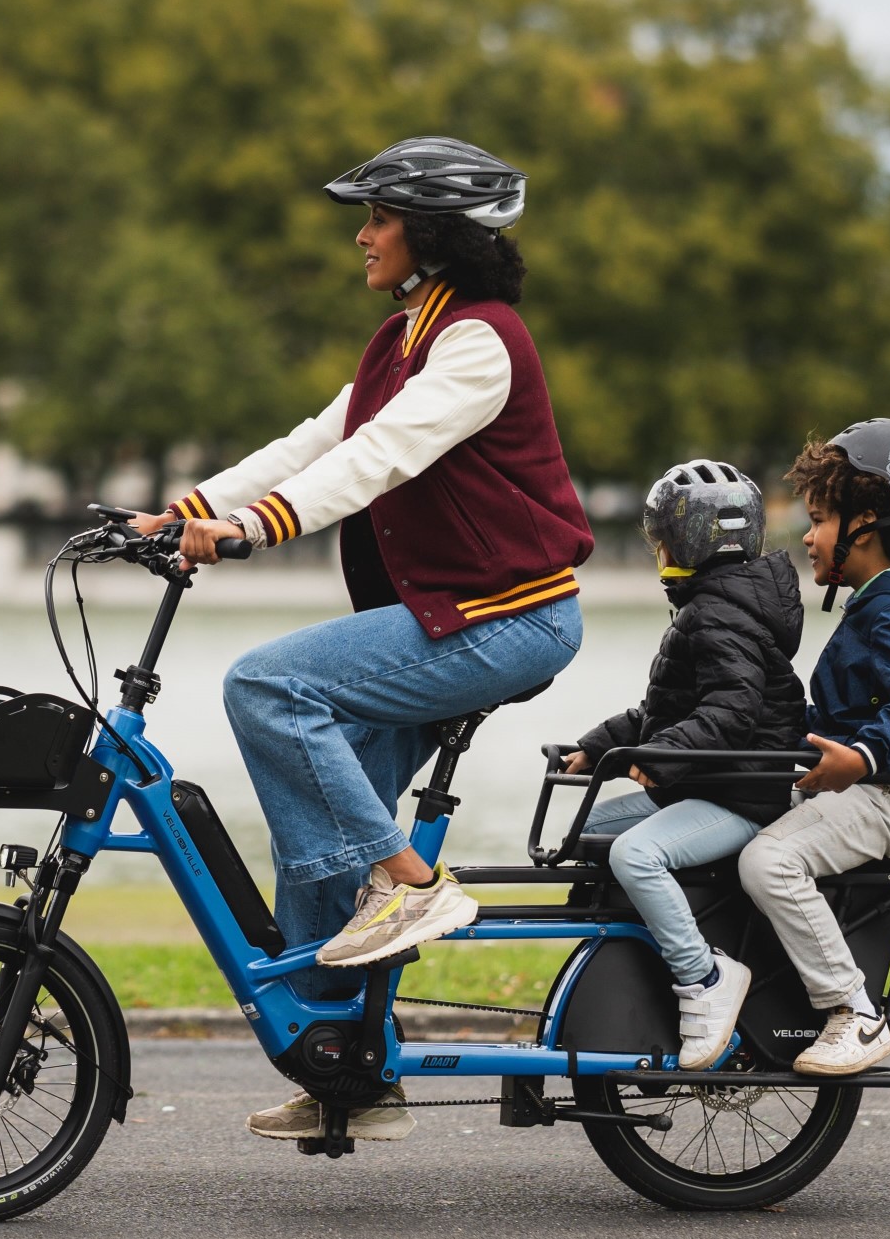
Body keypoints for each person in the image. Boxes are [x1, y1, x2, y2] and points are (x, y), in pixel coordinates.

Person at [130, 136, 594, 1143]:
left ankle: (413, 887)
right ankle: (351, 1071)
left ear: (430, 237)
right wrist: (191, 511)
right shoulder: (399, 343)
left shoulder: (479, 342)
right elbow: (317, 440)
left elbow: (380, 458)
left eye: (378, 218)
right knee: (311, 841)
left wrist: (254, 529)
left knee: (266, 686)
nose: (362, 235)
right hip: (449, 618)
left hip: (513, 618)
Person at [738, 419, 890, 1077]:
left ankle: (855, 1013)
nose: (807, 536)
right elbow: (839, 714)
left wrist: (863, 757)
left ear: (866, 523)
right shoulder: (875, 607)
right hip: (868, 783)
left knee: (770, 862)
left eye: (818, 519)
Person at [567, 462, 805, 1069]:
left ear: (691, 543)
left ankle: (704, 979)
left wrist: (662, 757)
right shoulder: (715, 606)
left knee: (633, 853)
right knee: (594, 829)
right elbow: (662, 710)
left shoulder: (720, 614)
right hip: (708, 785)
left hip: (739, 799)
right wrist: (599, 748)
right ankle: (640, 955)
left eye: (662, 538)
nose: (658, 550)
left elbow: (733, 708)